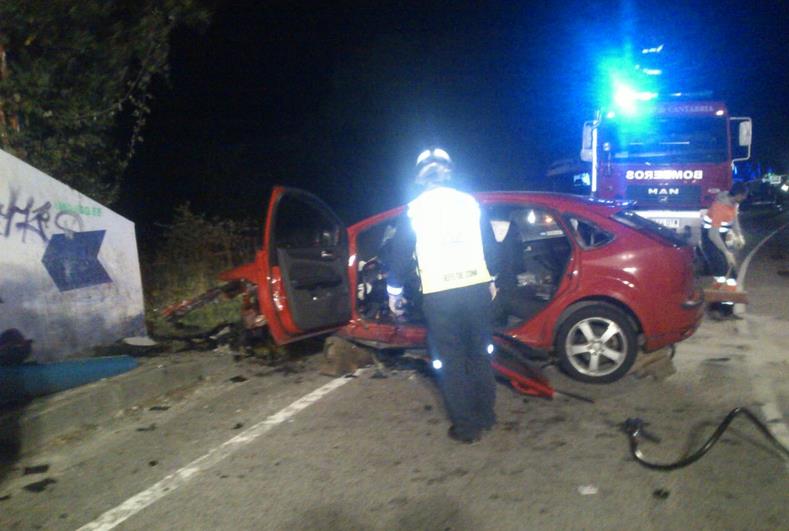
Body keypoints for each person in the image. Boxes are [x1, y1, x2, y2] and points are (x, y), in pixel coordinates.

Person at [386, 147, 497, 443]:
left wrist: (394, 292)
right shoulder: (470, 203)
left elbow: (398, 256)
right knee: (479, 353)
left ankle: (466, 427)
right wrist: (493, 279)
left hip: (440, 295)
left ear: (420, 176)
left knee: (452, 360)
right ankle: (486, 416)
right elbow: (490, 244)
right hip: (475, 289)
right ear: (450, 171)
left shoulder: (415, 209)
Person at [702, 181, 748, 319]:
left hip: (720, 239)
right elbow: (712, 234)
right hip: (710, 241)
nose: (745, 198)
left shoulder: (734, 204)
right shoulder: (720, 207)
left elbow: (734, 221)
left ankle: (727, 309)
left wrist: (739, 235)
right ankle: (716, 308)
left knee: (732, 276)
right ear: (738, 195)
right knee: (721, 274)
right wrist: (726, 252)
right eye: (744, 195)